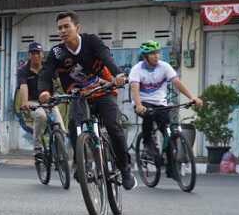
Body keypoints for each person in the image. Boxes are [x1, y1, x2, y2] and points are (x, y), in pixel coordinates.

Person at [37, 11, 134, 190]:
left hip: (103, 91)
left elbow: (106, 57)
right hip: (79, 95)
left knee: (113, 126)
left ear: (77, 28)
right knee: (74, 126)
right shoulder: (57, 52)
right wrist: (44, 91)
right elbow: (46, 73)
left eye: (67, 26)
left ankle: (125, 168)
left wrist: (118, 74)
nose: (63, 31)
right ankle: (82, 164)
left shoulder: (91, 41)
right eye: (60, 28)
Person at [130, 41, 203, 172]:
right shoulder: (137, 69)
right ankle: (147, 143)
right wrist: (139, 105)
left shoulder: (164, 67)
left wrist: (192, 97)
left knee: (167, 131)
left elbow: (177, 82)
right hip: (143, 102)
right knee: (148, 115)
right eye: (152, 53)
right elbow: (134, 88)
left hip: (160, 103)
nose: (156, 56)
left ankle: (171, 165)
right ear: (145, 56)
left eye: (157, 53)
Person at [15, 41, 65, 156]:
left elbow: (59, 83)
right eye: (33, 53)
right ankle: (37, 146)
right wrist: (25, 102)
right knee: (41, 115)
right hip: (33, 102)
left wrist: (63, 93)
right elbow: (23, 86)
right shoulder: (23, 70)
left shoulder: (48, 68)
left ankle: (61, 156)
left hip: (49, 101)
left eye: (38, 53)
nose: (35, 56)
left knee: (60, 126)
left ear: (42, 54)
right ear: (29, 55)